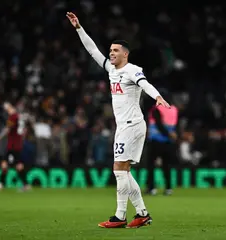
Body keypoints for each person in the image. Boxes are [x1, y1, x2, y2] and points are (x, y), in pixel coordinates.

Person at [66, 12, 170, 228]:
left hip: (132, 125)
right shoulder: (111, 69)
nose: (111, 53)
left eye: (115, 51)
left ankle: (120, 216)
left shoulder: (132, 70)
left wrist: (157, 96)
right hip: (126, 126)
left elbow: (144, 84)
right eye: (111, 50)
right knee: (123, 171)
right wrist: (78, 28)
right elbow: (92, 49)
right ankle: (141, 213)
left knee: (119, 170)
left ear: (125, 54)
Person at [0, 102, 31, 192]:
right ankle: (25, 185)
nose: (5, 110)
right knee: (16, 164)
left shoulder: (13, 117)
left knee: (7, 164)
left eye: (6, 108)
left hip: (13, 145)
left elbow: (7, 129)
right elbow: (23, 130)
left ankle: (1, 184)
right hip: (16, 144)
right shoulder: (18, 117)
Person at [146, 90, 178, 196]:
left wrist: (167, 134)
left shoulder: (156, 109)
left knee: (151, 165)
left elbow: (159, 125)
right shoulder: (174, 110)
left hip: (156, 140)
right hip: (168, 142)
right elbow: (175, 126)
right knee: (167, 166)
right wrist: (172, 135)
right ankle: (168, 188)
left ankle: (151, 188)